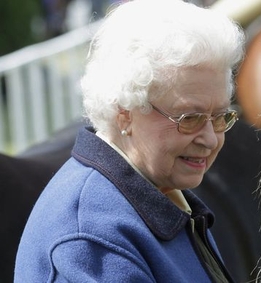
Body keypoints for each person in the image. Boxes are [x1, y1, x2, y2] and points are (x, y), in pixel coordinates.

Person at [14, 0, 244, 281]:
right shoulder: (90, 240)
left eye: (220, 117)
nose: (210, 139)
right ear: (124, 114)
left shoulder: (158, 191)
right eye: (189, 118)